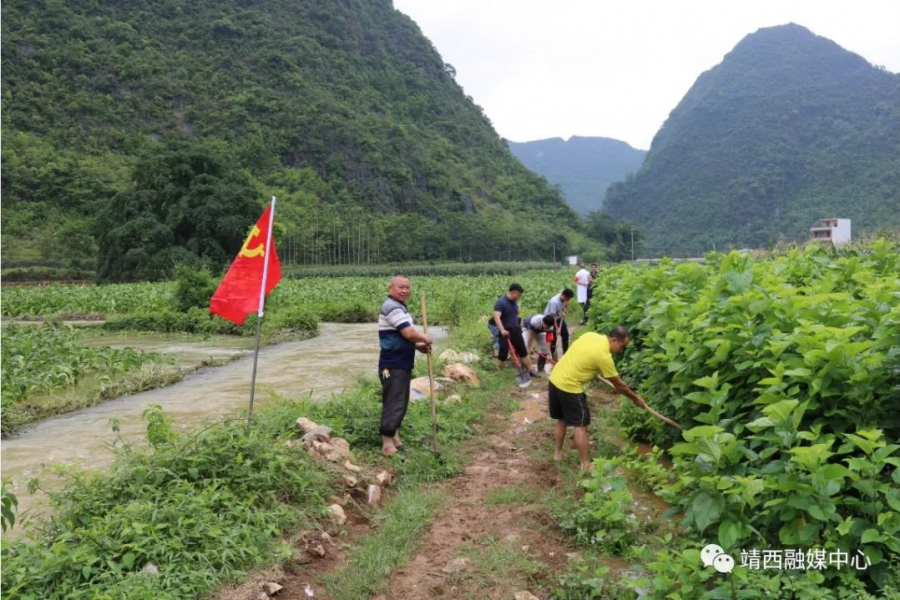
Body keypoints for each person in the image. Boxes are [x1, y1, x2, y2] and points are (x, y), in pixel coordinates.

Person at [548, 325, 650, 471]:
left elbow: (579, 354)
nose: (621, 350)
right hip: (569, 387)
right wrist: (636, 399)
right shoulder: (603, 356)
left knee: (562, 419)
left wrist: (590, 370)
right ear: (614, 340)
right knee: (580, 425)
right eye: (622, 346)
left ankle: (557, 454)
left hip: (555, 379)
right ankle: (585, 465)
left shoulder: (590, 335)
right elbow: (619, 385)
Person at [378, 274, 433, 457]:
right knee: (394, 401)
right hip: (391, 366)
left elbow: (400, 338)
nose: (404, 290)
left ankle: (394, 437)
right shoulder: (392, 307)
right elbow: (408, 333)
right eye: (400, 287)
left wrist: (418, 346)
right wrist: (424, 337)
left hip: (398, 363)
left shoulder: (400, 307)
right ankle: (387, 445)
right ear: (391, 288)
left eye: (407, 287)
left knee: (398, 400)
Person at [493, 283, 538, 377]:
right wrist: (502, 330)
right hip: (505, 332)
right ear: (514, 292)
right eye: (519, 295)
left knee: (522, 351)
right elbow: (497, 318)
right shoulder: (500, 302)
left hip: (516, 331)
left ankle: (530, 370)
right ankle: (499, 374)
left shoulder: (514, 302)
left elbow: (515, 314)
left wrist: (519, 324)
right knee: (503, 355)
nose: (519, 297)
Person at [544, 288, 574, 357]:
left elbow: (563, 307)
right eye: (568, 299)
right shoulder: (554, 302)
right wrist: (557, 328)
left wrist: (564, 311)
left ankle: (565, 354)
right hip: (550, 320)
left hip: (558, 318)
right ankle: (554, 357)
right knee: (553, 338)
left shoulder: (563, 298)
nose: (568, 300)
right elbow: (553, 317)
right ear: (564, 295)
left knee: (565, 334)